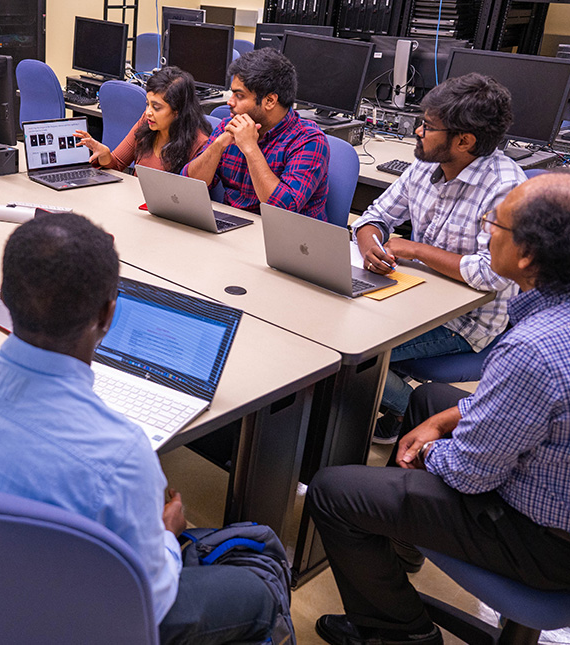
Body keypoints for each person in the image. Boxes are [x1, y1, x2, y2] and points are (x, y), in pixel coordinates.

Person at [305, 169, 570, 645]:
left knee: (334, 492)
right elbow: (552, 407)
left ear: (526, 255)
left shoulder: (535, 348)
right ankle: (403, 548)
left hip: (547, 546)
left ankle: (401, 636)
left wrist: (426, 450)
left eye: (493, 225)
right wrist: (443, 420)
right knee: (428, 399)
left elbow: (468, 475)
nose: (484, 230)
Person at [0, 213, 278, 644]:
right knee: (263, 581)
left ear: (6, 299)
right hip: (69, 624)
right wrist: (166, 535)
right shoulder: (122, 454)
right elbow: (152, 599)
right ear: (109, 315)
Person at [353, 72, 526, 443]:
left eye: (428, 126)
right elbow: (376, 216)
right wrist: (371, 243)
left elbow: (492, 273)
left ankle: (410, 412)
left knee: (349, 351)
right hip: (411, 295)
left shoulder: (505, 187)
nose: (418, 131)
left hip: (466, 321)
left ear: (464, 140)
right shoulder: (425, 164)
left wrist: (414, 249)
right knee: (329, 324)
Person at [181, 48, 329, 218]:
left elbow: (283, 209)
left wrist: (250, 148)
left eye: (239, 95)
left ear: (269, 101)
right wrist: (218, 146)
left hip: (286, 237)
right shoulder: (229, 126)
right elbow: (189, 184)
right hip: (234, 228)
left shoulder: (309, 140)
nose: (230, 101)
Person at [75, 67, 210, 174]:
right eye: (147, 104)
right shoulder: (146, 123)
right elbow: (116, 165)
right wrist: (105, 155)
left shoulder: (198, 143)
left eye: (156, 107)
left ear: (177, 111)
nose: (148, 112)